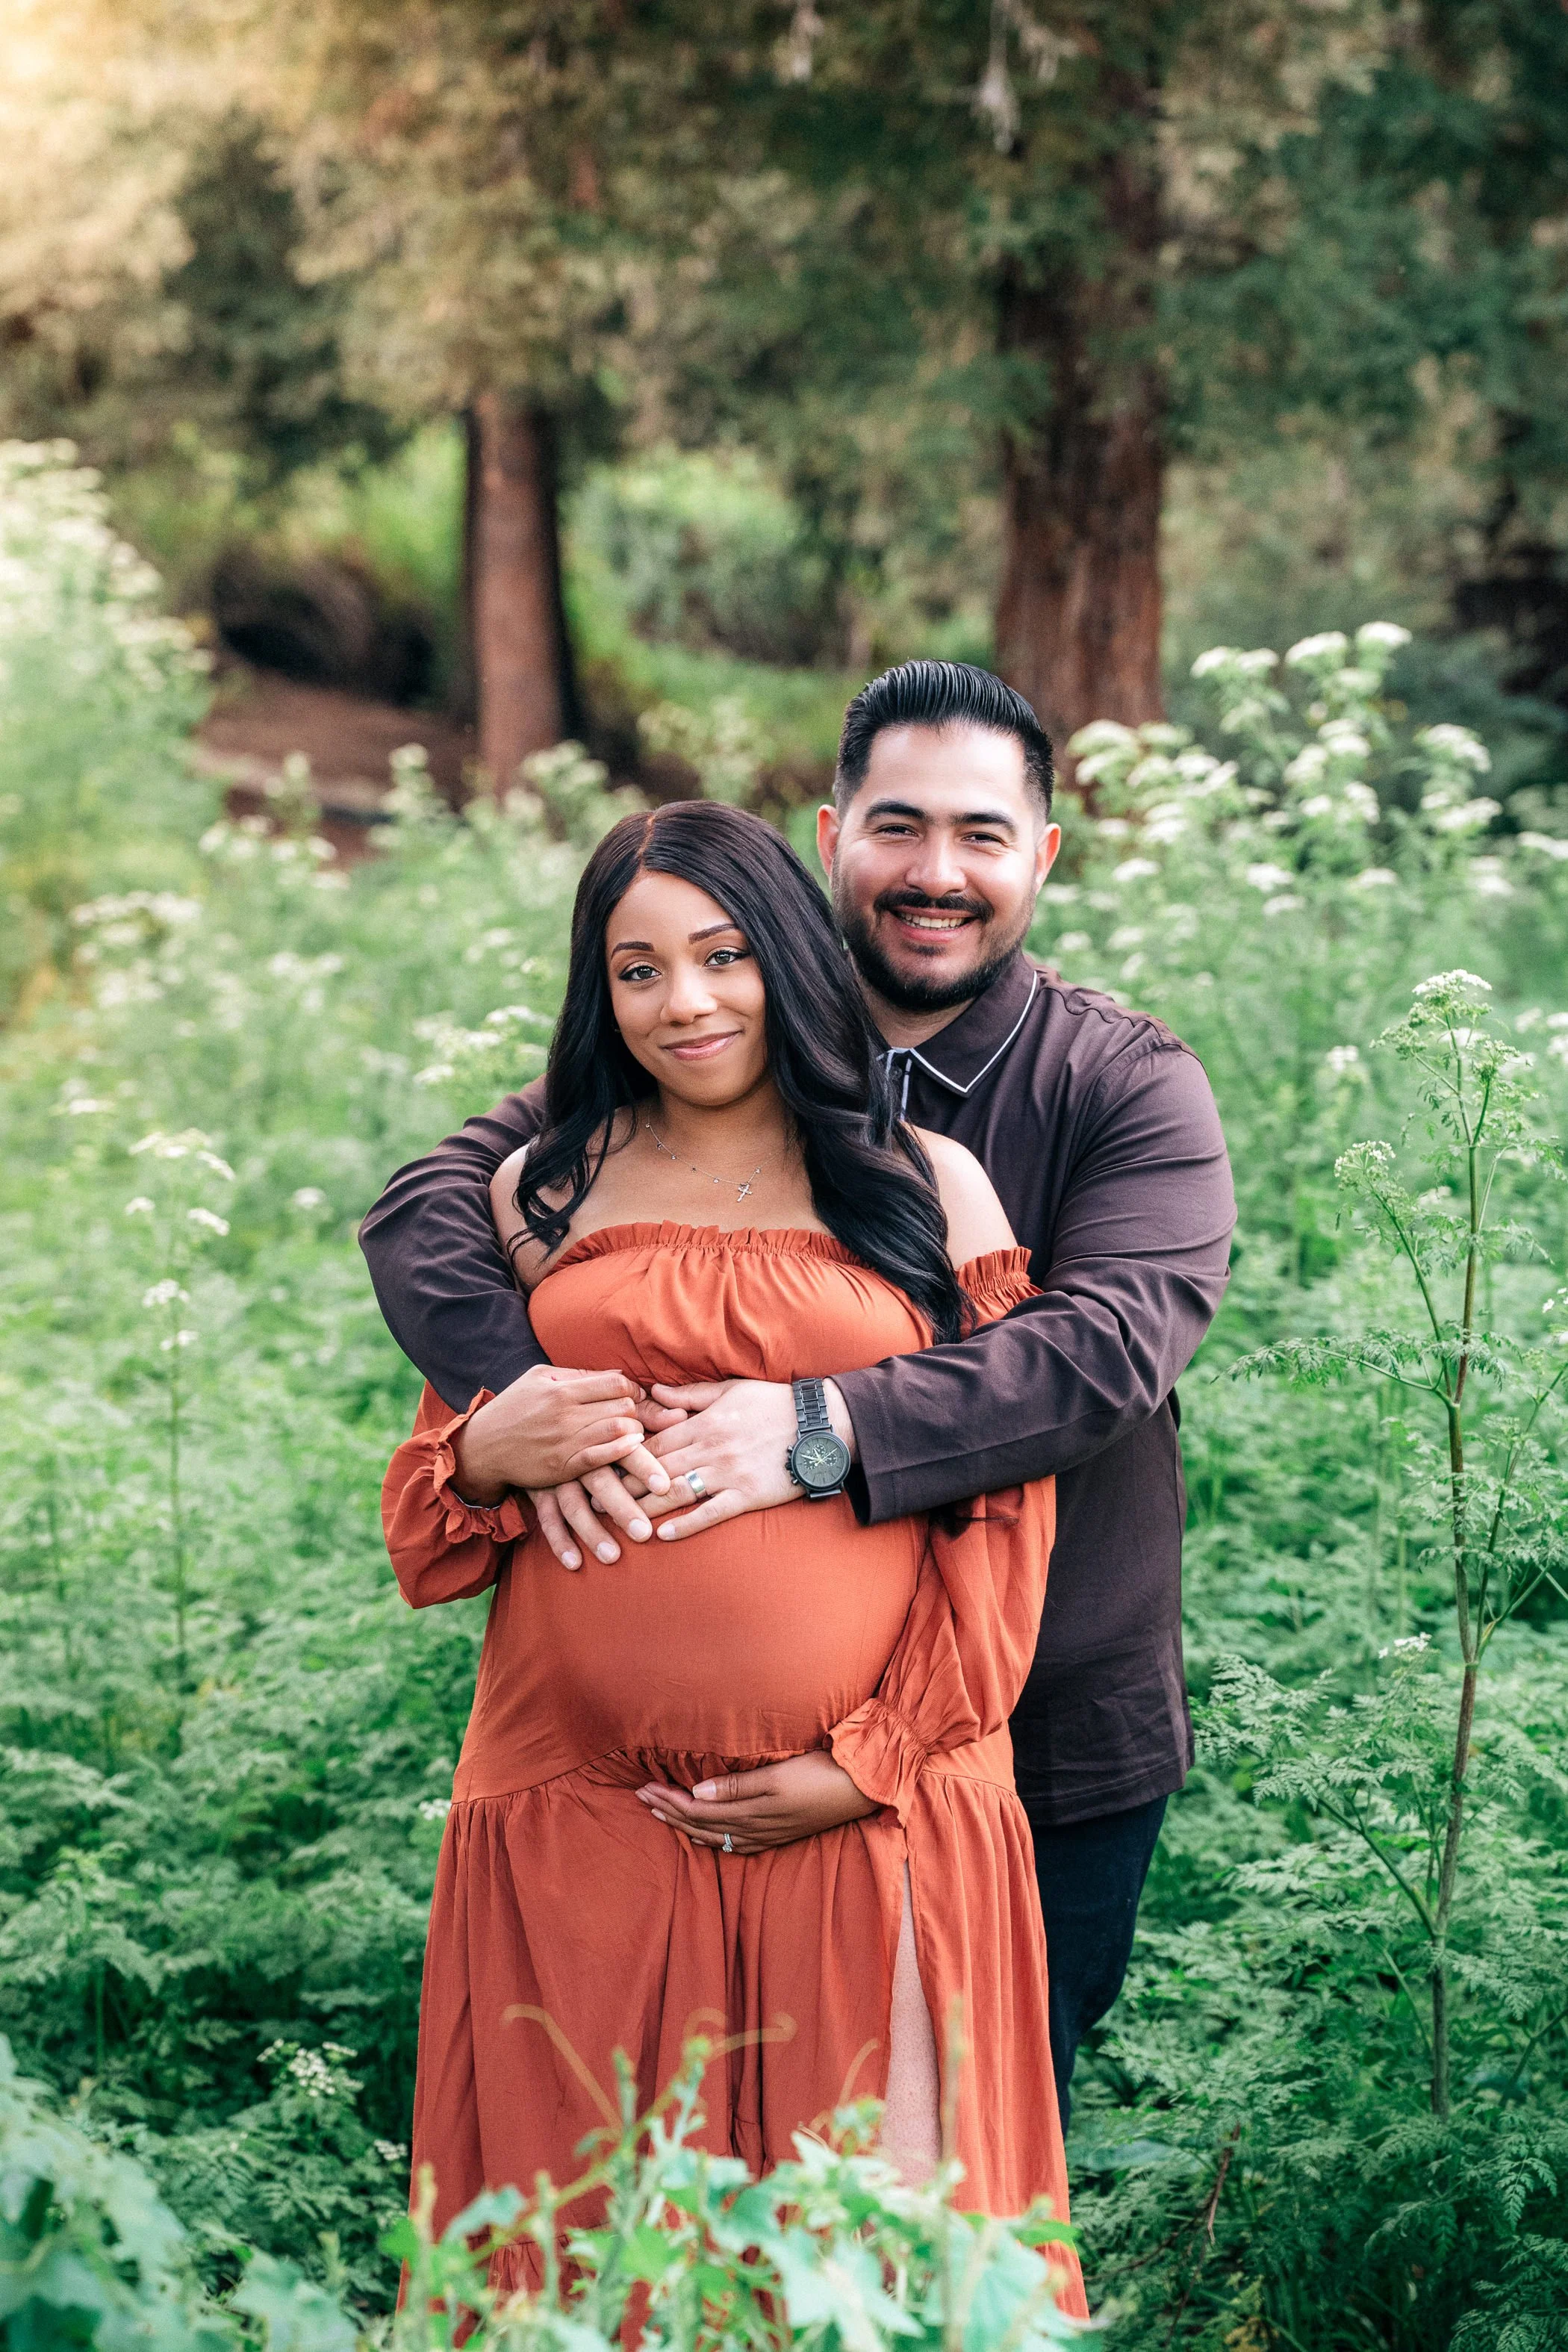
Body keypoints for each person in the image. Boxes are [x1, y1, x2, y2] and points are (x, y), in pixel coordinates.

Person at [362, 660, 1236, 2129]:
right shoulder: (691, 1048)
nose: (935, 874)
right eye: (898, 829)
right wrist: (511, 1406)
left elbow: (1102, 1352)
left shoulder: (1118, 1082)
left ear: (1043, 854)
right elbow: (432, 1207)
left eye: (980, 834)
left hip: (1030, 1731)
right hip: (606, 1795)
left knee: (943, 2148)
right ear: (832, 840)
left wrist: (820, 1433)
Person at [379, 800, 1083, 2311]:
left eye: (722, 955)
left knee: (874, 2269)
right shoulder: (537, 1195)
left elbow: (1001, 1504)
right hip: (578, 1813)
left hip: (858, 1805)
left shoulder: (923, 1181)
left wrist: (878, 1755)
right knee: (583, 2271)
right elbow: (435, 1514)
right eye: (638, 971)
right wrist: (490, 1452)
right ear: (599, 995)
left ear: (788, 957)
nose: (684, 1001)